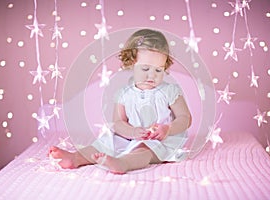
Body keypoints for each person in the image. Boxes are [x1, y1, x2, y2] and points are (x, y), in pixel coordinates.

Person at [49, 29, 192, 174]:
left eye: (158, 70)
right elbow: (118, 123)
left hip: (161, 142)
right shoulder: (124, 93)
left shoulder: (169, 91)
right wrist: (132, 131)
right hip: (131, 137)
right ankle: (76, 158)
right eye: (145, 68)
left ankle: (124, 163)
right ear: (130, 64)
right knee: (107, 141)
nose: (152, 75)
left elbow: (185, 118)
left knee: (144, 150)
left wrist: (168, 129)